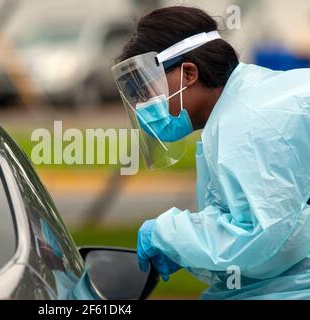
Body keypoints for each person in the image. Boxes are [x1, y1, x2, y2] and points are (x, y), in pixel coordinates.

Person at [112, 6, 310, 299]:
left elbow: (261, 237)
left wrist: (170, 235)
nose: (144, 106)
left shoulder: (247, 122)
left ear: (189, 73)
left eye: (147, 92)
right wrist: (188, 249)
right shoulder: (239, 105)